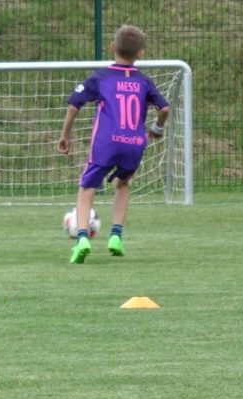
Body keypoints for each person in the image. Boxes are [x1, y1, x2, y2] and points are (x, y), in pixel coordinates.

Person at [56, 24, 168, 263]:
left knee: (87, 189)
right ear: (140, 53)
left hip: (107, 142)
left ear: (112, 47)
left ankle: (82, 239)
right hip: (134, 143)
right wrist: (157, 128)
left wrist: (65, 135)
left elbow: (74, 104)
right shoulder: (144, 81)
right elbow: (164, 108)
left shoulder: (101, 77)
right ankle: (116, 236)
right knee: (123, 184)